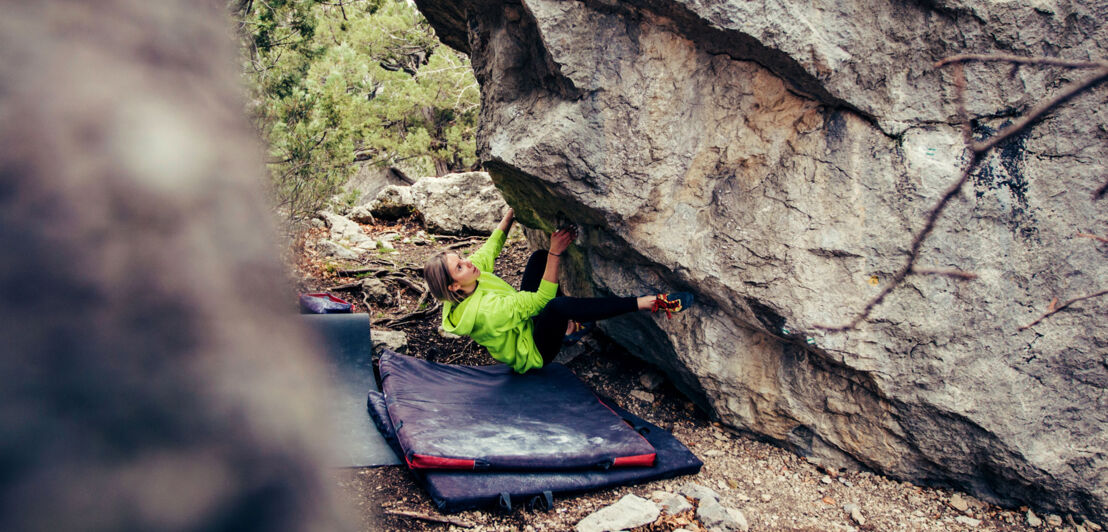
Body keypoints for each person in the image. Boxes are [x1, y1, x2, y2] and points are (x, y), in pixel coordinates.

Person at [422, 208, 694, 373]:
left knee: (538, 258)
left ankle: (568, 328)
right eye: (460, 266)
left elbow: (489, 249)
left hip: (526, 323)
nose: (468, 262)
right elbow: (542, 300)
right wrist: (556, 253)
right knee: (555, 306)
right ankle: (648, 302)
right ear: (454, 285)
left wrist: (511, 213)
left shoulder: (466, 281)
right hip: (533, 352)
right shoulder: (485, 313)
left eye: (462, 258)